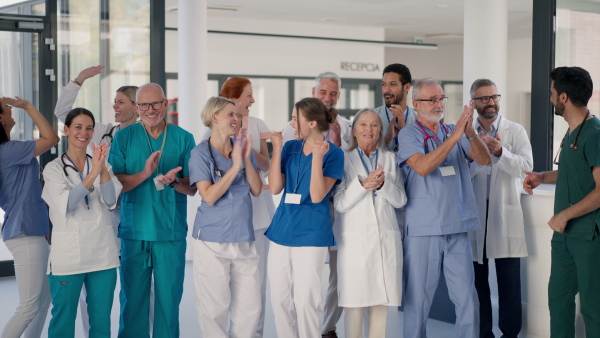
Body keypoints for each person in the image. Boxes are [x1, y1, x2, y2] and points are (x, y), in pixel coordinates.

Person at [397, 77, 490, 338]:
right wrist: (456, 137)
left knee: (467, 298)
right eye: (432, 99)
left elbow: (483, 160)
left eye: (442, 98)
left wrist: (468, 131)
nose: (439, 104)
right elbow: (423, 167)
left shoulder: (453, 130)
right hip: (423, 229)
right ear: (416, 104)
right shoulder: (409, 134)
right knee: (418, 301)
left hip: (457, 225)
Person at [54, 65, 140, 337]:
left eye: (121, 101)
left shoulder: (144, 136)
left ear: (137, 107)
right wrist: (78, 80)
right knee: (89, 294)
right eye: (114, 101)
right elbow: (62, 114)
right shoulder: (104, 130)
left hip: (134, 214)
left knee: (130, 290)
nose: (115, 106)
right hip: (103, 216)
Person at [108, 83, 196, 338]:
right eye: (144, 105)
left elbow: (192, 189)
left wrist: (173, 182)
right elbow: (115, 186)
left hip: (170, 232)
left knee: (169, 302)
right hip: (135, 231)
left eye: (155, 103)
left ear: (165, 104)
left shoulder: (183, 138)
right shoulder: (124, 137)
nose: (150, 110)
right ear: (136, 108)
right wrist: (145, 173)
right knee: (132, 300)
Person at [523, 66, 600, 337]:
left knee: (593, 308)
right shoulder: (572, 133)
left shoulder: (595, 134)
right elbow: (574, 171)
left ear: (564, 97)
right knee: (559, 301)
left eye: (553, 92)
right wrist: (542, 176)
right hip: (564, 238)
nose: (551, 97)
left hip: (588, 237)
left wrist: (565, 215)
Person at [200, 77, 275, 337]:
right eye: (248, 96)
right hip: (219, 228)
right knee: (217, 302)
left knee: (253, 296)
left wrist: (244, 151)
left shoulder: (257, 126)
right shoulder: (205, 144)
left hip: (254, 220)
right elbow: (207, 189)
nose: (252, 101)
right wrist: (234, 161)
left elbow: (263, 171)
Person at [266, 97, 344, 338]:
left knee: (307, 299)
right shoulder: (290, 147)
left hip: (311, 234)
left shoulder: (334, 154)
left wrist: (318, 158)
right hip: (282, 230)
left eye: (295, 118)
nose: (291, 122)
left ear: (311, 123)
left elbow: (318, 194)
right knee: (280, 299)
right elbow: (275, 188)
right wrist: (277, 149)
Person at [41, 108, 122, 338]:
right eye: (77, 127)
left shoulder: (102, 166)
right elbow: (67, 204)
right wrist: (93, 173)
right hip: (69, 257)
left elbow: (110, 200)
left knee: (101, 323)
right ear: (66, 130)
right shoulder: (53, 169)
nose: (83, 133)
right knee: (63, 322)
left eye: (89, 128)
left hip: (102, 256)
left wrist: (101, 168)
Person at [190, 96, 263, 337]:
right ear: (214, 117)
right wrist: (234, 168)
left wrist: (245, 159)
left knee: (250, 308)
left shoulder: (241, 147)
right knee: (214, 308)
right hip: (212, 240)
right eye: (230, 114)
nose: (236, 118)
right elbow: (209, 196)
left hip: (243, 236)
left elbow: (256, 189)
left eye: (237, 115)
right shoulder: (200, 154)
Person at [467, 79, 533, 338]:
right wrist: (480, 156)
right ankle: (484, 333)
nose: (491, 102)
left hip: (504, 214)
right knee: (477, 283)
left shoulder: (515, 131)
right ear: (473, 103)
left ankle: (510, 334)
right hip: (475, 217)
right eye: (484, 98)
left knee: (509, 284)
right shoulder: (465, 132)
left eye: (494, 97)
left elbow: (526, 167)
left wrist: (499, 152)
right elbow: (462, 171)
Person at [333, 108, 407, 338]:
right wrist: (362, 185)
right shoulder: (343, 160)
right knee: (354, 306)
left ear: (380, 131)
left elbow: (401, 200)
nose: (369, 129)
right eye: (363, 124)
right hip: (355, 243)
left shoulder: (390, 159)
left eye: (374, 125)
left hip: (385, 240)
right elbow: (339, 203)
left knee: (379, 306)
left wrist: (383, 186)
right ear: (353, 131)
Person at [0, 97, 58, 338]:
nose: (12, 110)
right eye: (7, 109)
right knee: (28, 306)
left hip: (31, 230)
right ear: (1, 118)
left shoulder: (9, 149)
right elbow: (51, 139)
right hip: (24, 232)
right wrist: (28, 107)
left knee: (43, 302)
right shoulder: (9, 151)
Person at [374, 63, 418, 152]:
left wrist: (403, 129)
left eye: (392, 84)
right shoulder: (373, 116)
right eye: (383, 84)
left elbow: (422, 155)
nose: (386, 90)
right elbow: (367, 154)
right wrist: (388, 137)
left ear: (406, 87)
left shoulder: (419, 119)